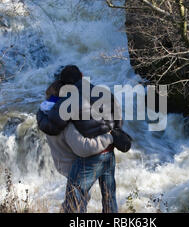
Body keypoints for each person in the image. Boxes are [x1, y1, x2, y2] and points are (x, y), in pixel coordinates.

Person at [37, 65, 131, 213]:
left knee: (74, 203)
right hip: (109, 152)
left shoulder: (67, 101)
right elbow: (118, 118)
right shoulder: (103, 92)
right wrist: (112, 134)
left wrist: (40, 115)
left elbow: (53, 126)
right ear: (81, 75)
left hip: (90, 156)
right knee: (109, 199)